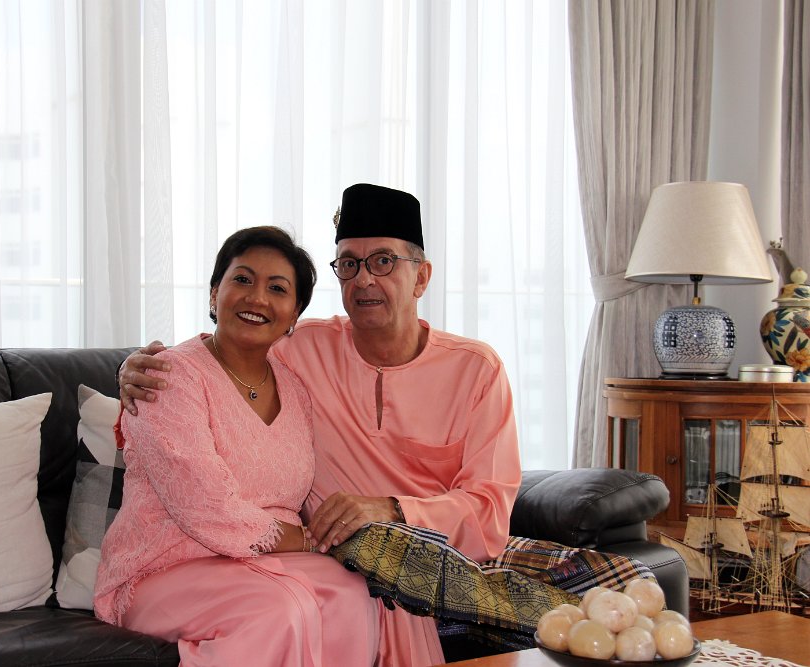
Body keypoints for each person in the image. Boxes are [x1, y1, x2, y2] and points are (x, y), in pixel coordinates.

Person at [119, 184, 523, 666]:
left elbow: (490, 512)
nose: (364, 279)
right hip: (285, 561)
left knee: (358, 593)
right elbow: (225, 349)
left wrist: (392, 511)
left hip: (428, 561)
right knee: (328, 597)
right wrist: (131, 368)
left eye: (383, 261)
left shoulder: (476, 370)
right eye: (349, 264)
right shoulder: (302, 350)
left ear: (421, 277)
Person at [94, 226, 379, 667]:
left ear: (294, 316)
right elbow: (203, 506)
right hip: (164, 568)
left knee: (353, 593)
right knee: (278, 610)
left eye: (277, 288)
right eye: (243, 279)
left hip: (261, 567)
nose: (257, 298)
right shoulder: (167, 376)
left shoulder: (295, 390)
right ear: (215, 294)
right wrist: (303, 539)